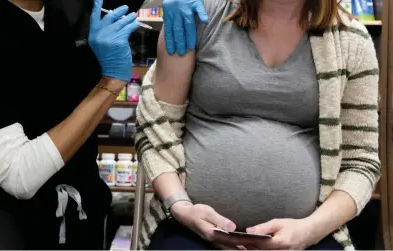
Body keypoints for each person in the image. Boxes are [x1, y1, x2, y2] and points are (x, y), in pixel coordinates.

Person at [135, 0, 381, 250]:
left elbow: (361, 164)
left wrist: (310, 230)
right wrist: (181, 206)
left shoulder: (350, 40)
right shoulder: (195, 17)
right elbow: (157, 128)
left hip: (308, 235)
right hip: (188, 229)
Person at [0, 0, 207, 249]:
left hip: (81, 208)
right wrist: (110, 83)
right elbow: (16, 173)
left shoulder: (75, 6)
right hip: (4, 222)